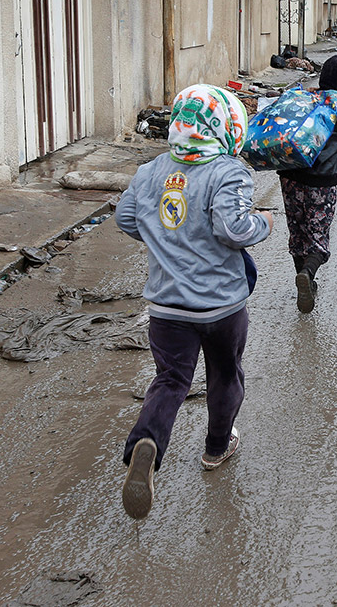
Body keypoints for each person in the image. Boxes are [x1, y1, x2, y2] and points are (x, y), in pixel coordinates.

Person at [115, 84, 273, 520]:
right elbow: (233, 230)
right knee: (225, 376)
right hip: (222, 307)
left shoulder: (150, 171)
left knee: (170, 380)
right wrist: (265, 222)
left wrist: (163, 237)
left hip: (167, 309)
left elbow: (126, 218)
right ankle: (216, 448)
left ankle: (146, 442)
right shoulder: (229, 171)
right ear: (226, 125)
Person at [277, 55, 337, 313]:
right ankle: (308, 274)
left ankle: (304, 278)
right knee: (318, 233)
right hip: (321, 182)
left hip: (290, 177)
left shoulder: (303, 100)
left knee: (297, 230)